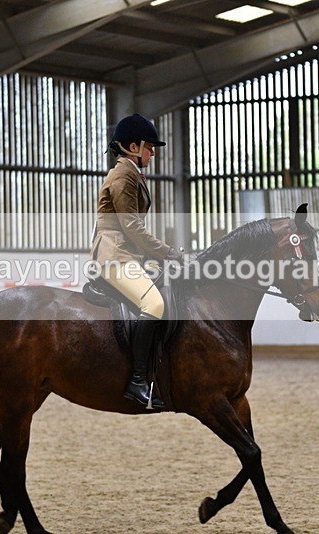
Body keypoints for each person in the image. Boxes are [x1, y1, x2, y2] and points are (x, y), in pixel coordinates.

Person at [90, 113, 181, 410]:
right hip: (115, 254)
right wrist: (167, 252)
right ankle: (138, 381)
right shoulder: (122, 175)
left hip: (128, 254)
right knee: (154, 305)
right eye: (149, 147)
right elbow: (132, 227)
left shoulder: (132, 173)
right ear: (133, 146)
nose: (153, 153)